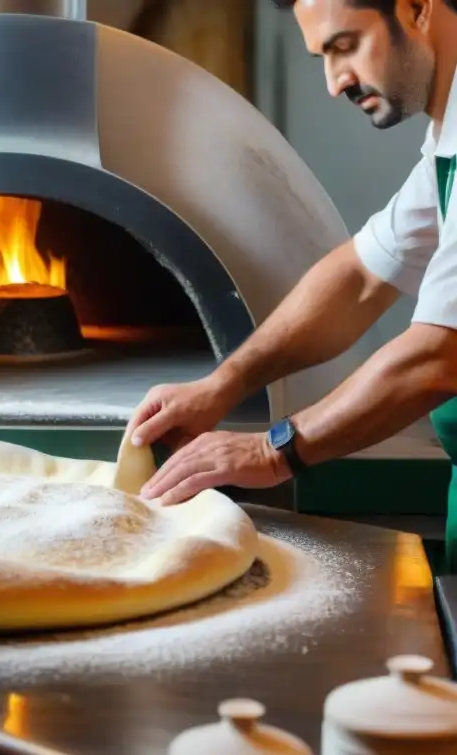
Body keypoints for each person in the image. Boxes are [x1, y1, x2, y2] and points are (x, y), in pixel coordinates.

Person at [129, 0, 457, 531]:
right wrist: (224, 384)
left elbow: (439, 355)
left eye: (345, 46)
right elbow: (360, 278)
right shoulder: (448, 142)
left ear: (417, 8)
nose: (334, 82)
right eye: (322, 57)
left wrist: (271, 451)